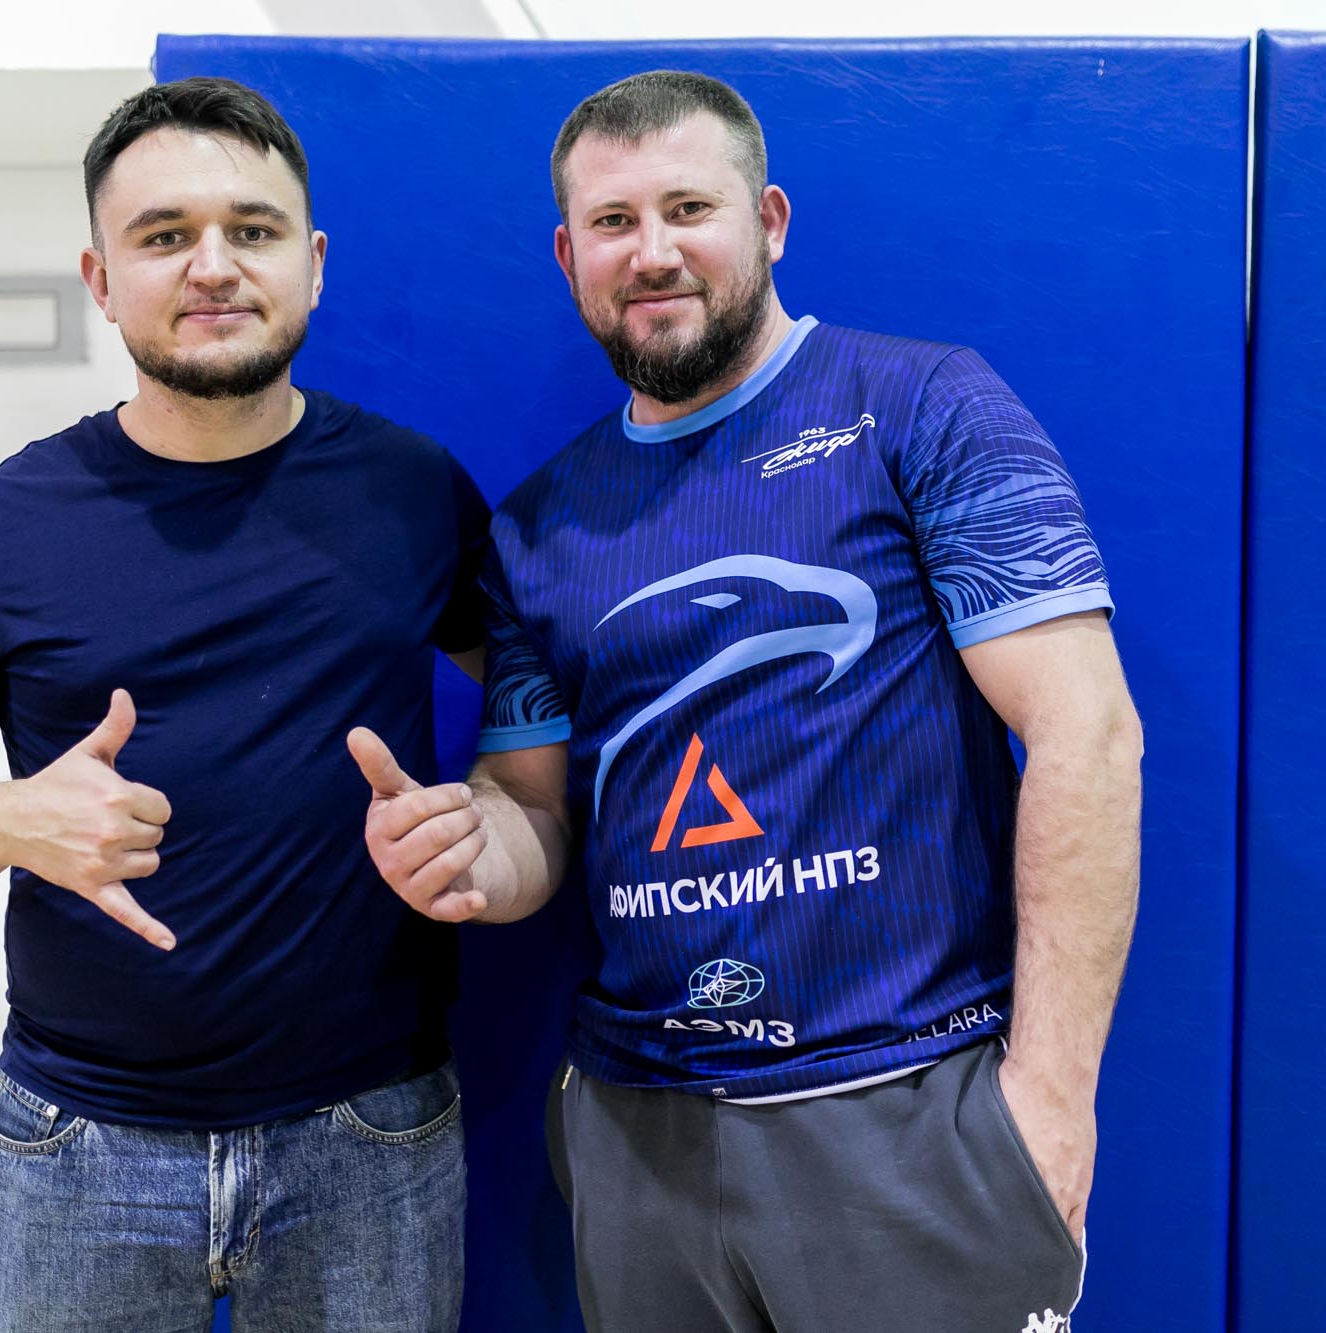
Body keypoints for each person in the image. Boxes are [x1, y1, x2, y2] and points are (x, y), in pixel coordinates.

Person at [352, 70, 1141, 1332]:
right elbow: (534, 813)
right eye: (613, 222)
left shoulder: (922, 405)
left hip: (909, 1111)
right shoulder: (537, 527)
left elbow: (1084, 735)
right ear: (567, 256)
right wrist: (466, 855)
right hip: (639, 1137)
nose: (651, 252)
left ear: (767, 221)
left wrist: (1049, 1099)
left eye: (688, 209)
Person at [0, 77, 483, 1332]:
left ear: (313, 262)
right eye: (164, 234)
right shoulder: (1, 527)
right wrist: (2, 820)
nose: (212, 266)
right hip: (75, 1151)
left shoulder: (412, 492)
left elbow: (544, 708)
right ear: (101, 277)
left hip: (372, 1138)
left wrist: (494, 817)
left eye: (252, 229)